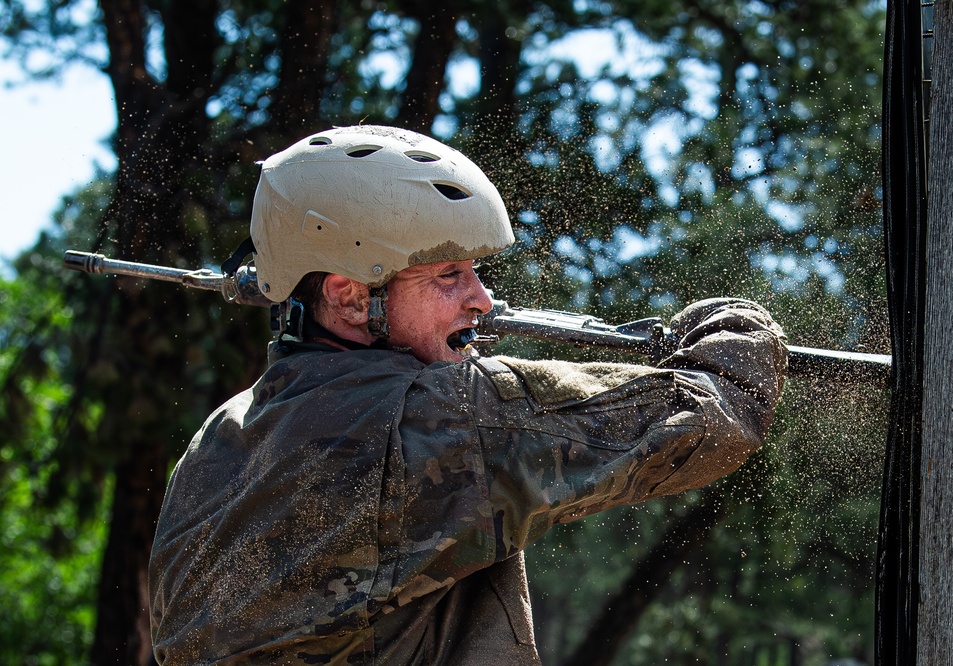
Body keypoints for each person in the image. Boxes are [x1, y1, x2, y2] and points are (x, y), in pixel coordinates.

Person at [148, 125, 787, 665]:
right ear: (347, 294)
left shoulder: (216, 444)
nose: (479, 298)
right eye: (448, 274)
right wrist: (735, 329)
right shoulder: (437, 417)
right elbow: (715, 414)